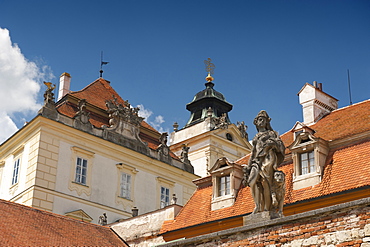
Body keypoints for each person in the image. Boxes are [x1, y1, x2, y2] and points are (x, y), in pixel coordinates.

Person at [244, 110, 285, 214]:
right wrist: (249, 166)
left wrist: (273, 143)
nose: (261, 121)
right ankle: (257, 206)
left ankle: (266, 208)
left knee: (265, 183)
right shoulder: (256, 137)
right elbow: (253, 152)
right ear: (256, 122)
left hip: (268, 159)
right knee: (252, 182)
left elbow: (281, 146)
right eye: (259, 120)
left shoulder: (272, 133)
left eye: (263, 119)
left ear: (267, 122)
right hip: (256, 160)